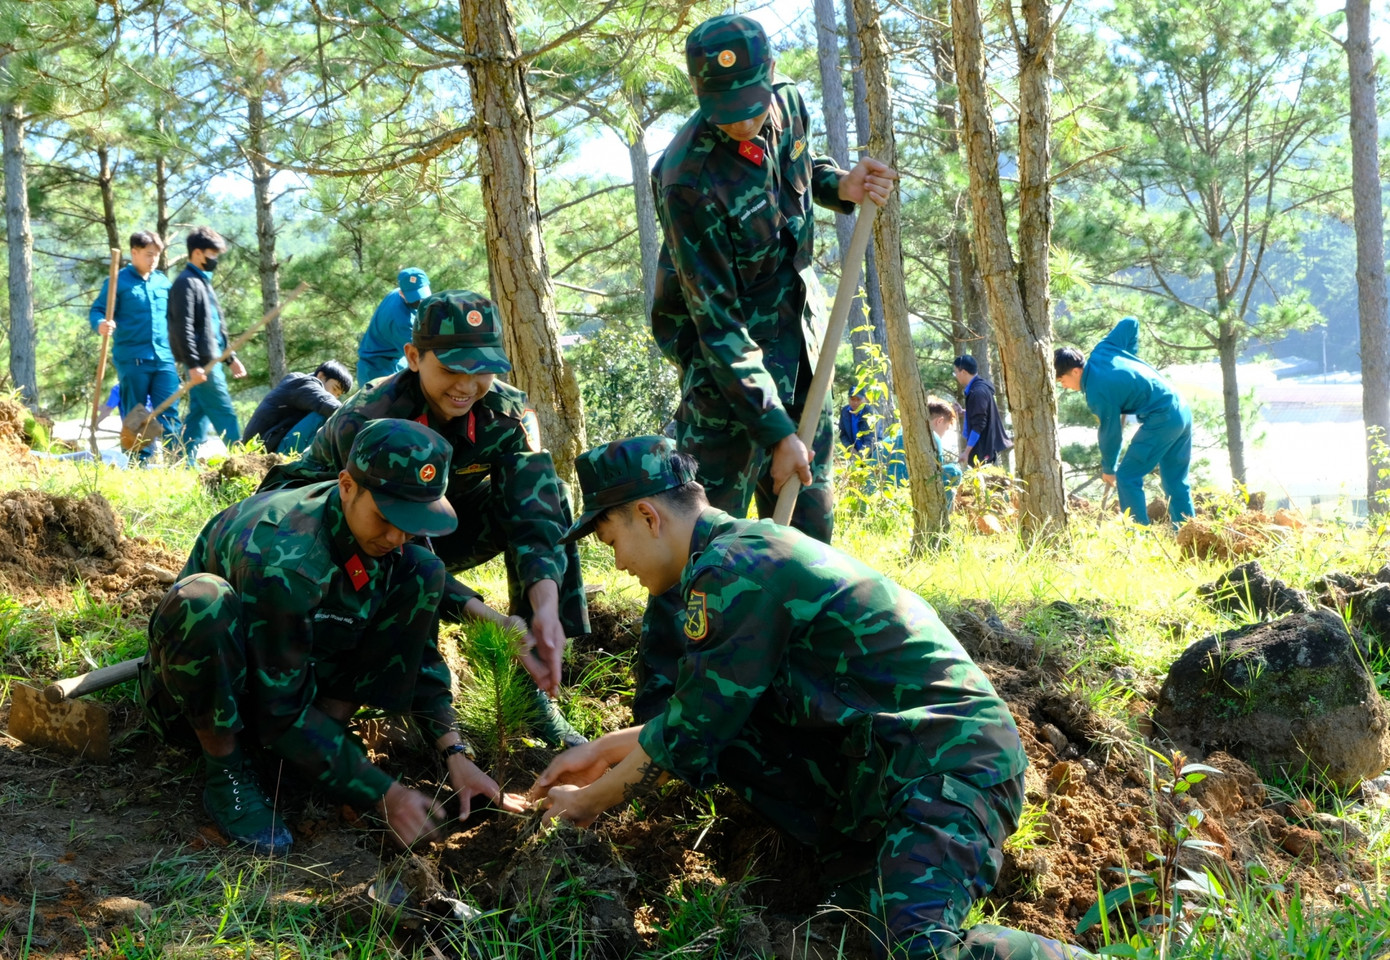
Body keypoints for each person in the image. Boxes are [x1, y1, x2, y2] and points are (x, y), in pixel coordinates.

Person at [528, 436, 1092, 960]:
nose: (620, 564)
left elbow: (692, 732)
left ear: (648, 517)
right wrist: (604, 748)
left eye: (611, 542)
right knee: (855, 935)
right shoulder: (740, 553)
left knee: (914, 948)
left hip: (948, 759)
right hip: (898, 767)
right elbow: (714, 712)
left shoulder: (732, 568)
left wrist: (588, 801)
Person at [641, 12, 897, 720]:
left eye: (753, 107)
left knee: (807, 526)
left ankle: (802, 685)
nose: (745, 125)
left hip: (798, 335)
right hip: (726, 372)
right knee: (700, 542)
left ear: (769, 83)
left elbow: (799, 173)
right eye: (727, 114)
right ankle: (665, 702)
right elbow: (715, 324)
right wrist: (775, 428)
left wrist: (840, 186)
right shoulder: (685, 177)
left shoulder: (787, 107)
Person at [138, 419, 525, 855]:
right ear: (346, 486)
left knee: (424, 571)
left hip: (293, 668)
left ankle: (318, 743)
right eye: (387, 518)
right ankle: (227, 771)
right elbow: (279, 709)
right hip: (213, 689)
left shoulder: (390, 540)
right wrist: (384, 792)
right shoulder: (288, 561)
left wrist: (455, 751)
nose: (398, 536)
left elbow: (416, 654)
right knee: (203, 602)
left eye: (412, 522)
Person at [260, 290, 588, 747]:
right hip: (336, 531)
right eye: (452, 368)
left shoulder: (507, 414)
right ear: (414, 357)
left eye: (483, 370)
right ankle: (411, 704)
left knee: (551, 497)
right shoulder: (371, 417)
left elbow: (535, 512)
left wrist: (545, 607)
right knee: (406, 560)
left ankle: (535, 689)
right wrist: (484, 614)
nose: (468, 385)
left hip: (436, 523)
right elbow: (389, 532)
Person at [1055, 317, 1194, 526]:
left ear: (1076, 371)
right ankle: (1189, 537)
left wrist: (1109, 468)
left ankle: (1138, 535)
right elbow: (1130, 323)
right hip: (1181, 409)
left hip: (1163, 417)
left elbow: (1110, 434)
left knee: (1127, 477)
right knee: (1175, 482)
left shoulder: (1097, 391)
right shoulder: (1104, 350)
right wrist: (1129, 358)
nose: (1064, 386)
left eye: (1062, 381)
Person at [89, 231, 181, 461]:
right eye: (149, 255)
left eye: (157, 256)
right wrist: (101, 323)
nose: (153, 260)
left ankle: (176, 460)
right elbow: (97, 310)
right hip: (133, 358)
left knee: (169, 411)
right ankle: (138, 462)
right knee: (136, 413)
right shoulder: (117, 281)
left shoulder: (162, 281)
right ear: (134, 252)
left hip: (164, 358)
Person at [168, 226, 245, 461]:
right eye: (212, 254)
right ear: (198, 253)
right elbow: (183, 327)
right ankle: (246, 462)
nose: (215, 260)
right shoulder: (186, 283)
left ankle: (183, 462)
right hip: (202, 363)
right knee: (225, 414)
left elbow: (214, 329)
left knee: (197, 417)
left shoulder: (203, 282)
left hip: (212, 360)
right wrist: (193, 364)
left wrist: (230, 358)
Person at [243, 361, 354, 454]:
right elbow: (329, 404)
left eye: (338, 394)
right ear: (321, 376)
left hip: (270, 446)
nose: (334, 396)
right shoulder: (303, 384)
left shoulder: (303, 385)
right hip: (264, 450)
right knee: (323, 415)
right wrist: (360, 420)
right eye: (334, 389)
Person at [358, 268, 431, 386]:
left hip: (396, 359)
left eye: (422, 295)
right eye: (415, 298)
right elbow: (423, 355)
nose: (420, 301)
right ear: (402, 294)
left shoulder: (396, 293)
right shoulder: (402, 322)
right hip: (376, 370)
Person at [953, 355, 1010, 468]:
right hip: (984, 446)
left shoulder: (978, 392)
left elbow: (979, 425)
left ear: (963, 372)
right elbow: (981, 413)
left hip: (981, 449)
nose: (956, 376)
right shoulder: (979, 387)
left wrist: (967, 452)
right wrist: (964, 412)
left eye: (955, 373)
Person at [928, 398, 964, 508]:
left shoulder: (898, 431)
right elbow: (937, 474)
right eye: (946, 428)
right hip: (907, 490)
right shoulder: (933, 438)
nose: (944, 434)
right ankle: (942, 520)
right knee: (953, 472)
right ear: (939, 421)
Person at [837, 390, 881, 458]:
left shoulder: (871, 413)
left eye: (858, 399)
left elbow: (871, 440)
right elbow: (843, 434)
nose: (855, 402)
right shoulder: (845, 412)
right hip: (854, 454)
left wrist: (860, 457)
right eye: (852, 399)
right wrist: (850, 449)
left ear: (865, 399)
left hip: (874, 453)